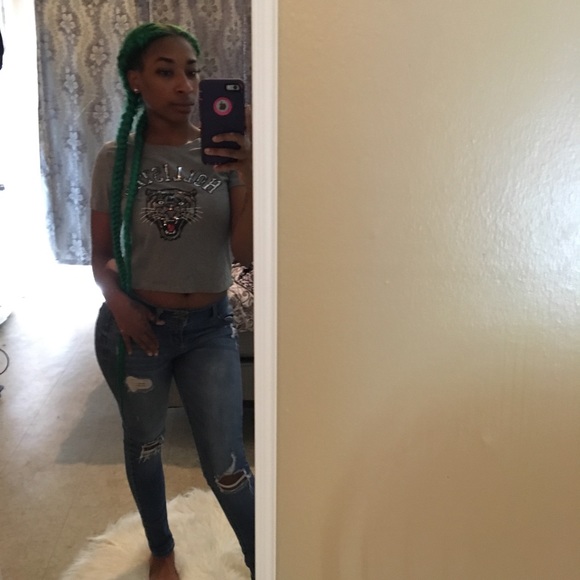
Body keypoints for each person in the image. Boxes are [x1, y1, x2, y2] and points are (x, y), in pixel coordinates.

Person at [90, 22, 255, 580]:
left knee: (228, 466)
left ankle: (265, 560)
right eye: (166, 72)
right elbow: (99, 257)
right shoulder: (116, 160)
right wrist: (119, 304)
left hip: (210, 328)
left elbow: (244, 251)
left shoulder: (221, 155)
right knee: (144, 446)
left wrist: (249, 170)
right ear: (135, 80)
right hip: (138, 328)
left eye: (192, 72)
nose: (184, 85)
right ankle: (161, 550)